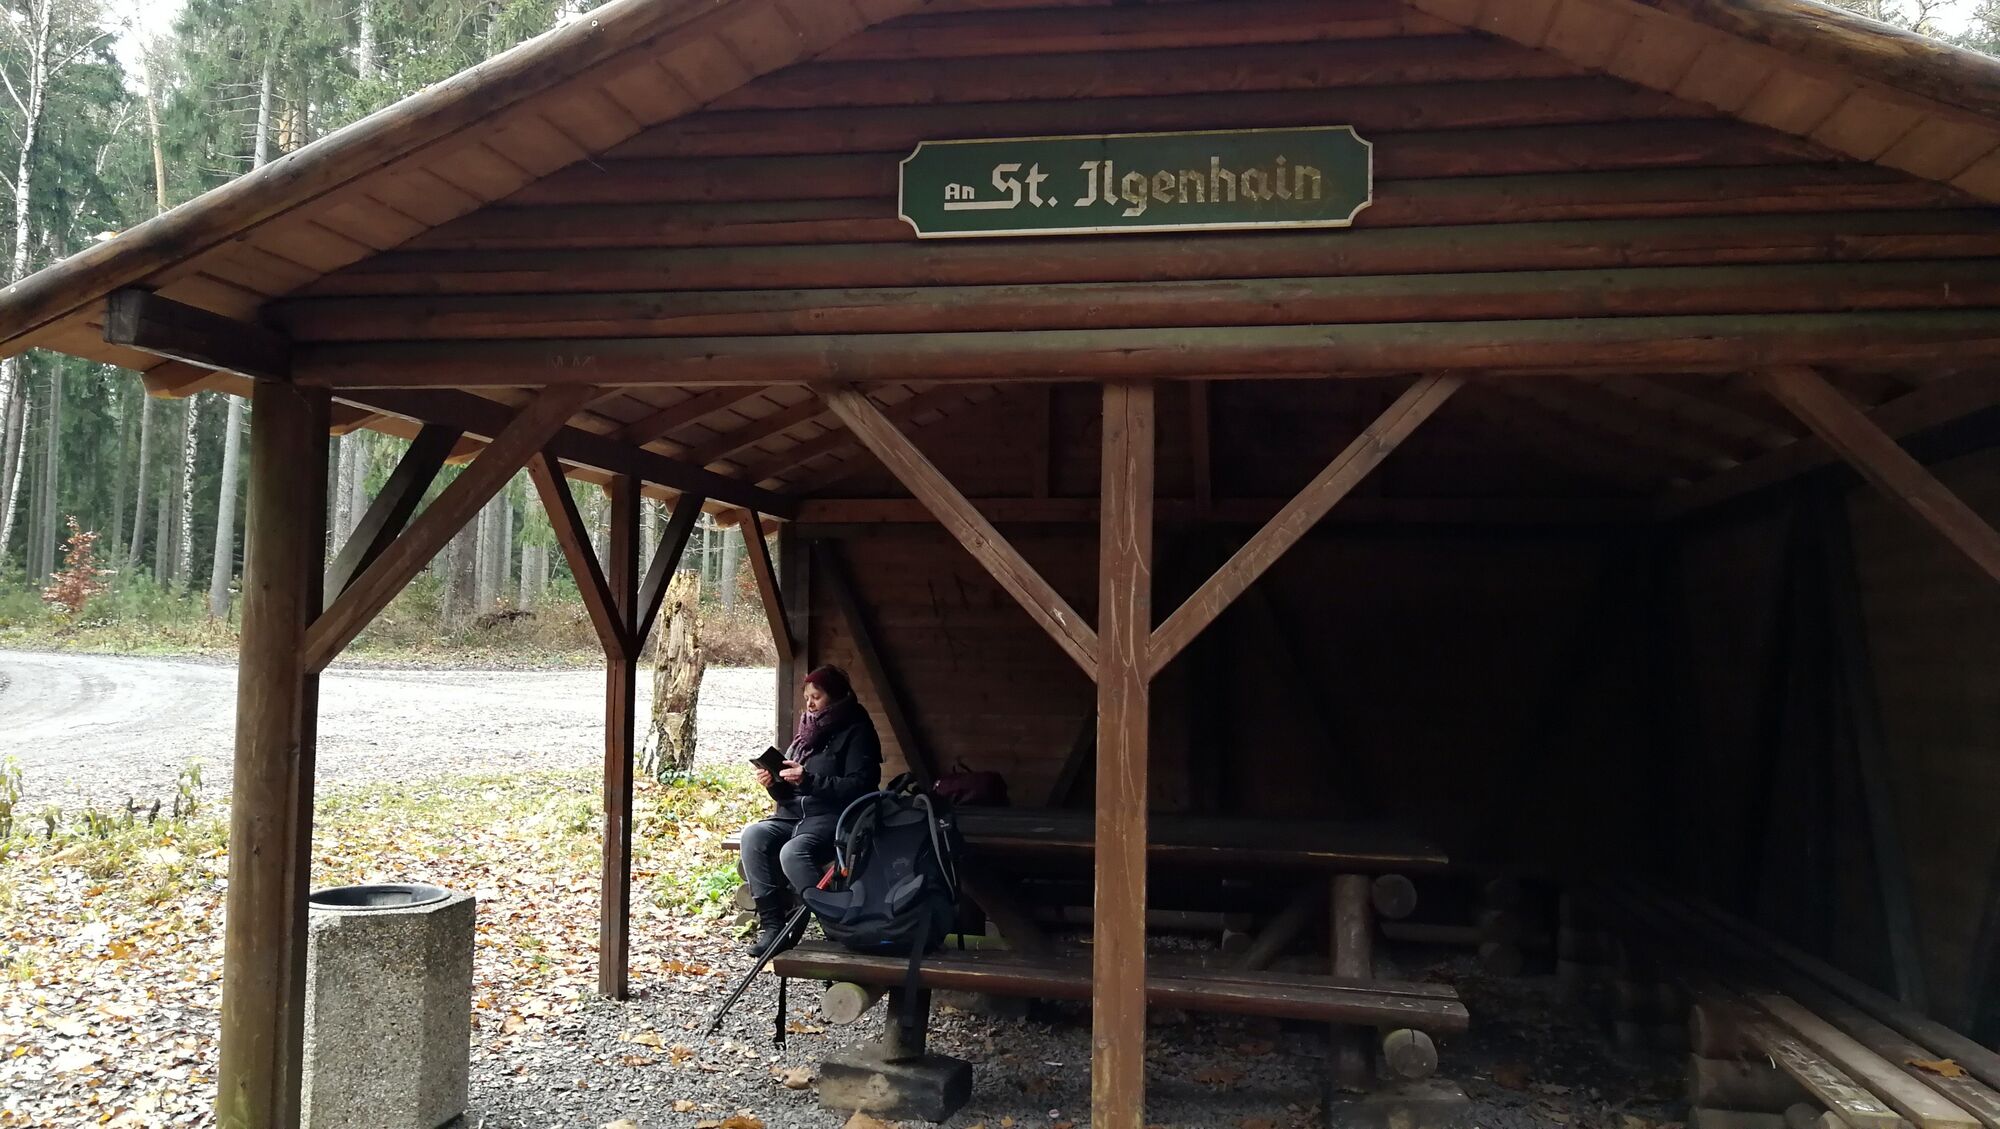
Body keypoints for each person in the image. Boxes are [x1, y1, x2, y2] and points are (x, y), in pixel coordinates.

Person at [739, 664, 882, 952]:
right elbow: (789, 792)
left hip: (834, 817)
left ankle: (834, 926)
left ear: (836, 695)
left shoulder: (858, 730)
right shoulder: (807, 730)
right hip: (794, 815)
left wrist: (809, 780)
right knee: (753, 836)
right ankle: (773, 927)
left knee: (792, 852)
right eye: (807, 697)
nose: (810, 704)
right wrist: (774, 784)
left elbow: (862, 785)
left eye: (816, 697)